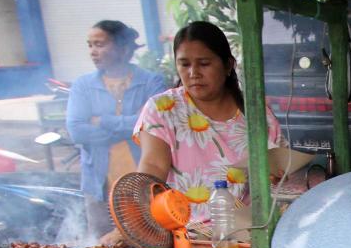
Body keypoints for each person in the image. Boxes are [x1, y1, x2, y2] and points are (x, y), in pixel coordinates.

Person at [129, 21, 313, 229]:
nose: (193, 73)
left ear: (228, 65)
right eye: (184, 64)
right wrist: (138, 213)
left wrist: (274, 175)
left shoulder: (255, 112)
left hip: (246, 231)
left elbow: (278, 168)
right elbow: (152, 166)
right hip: (184, 234)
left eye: (204, 63)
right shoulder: (163, 109)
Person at [66, 20, 167, 236]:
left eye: (100, 45)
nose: (93, 52)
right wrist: (132, 125)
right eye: (90, 45)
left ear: (123, 47)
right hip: (100, 186)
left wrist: (102, 120)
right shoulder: (83, 86)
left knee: (150, 243)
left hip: (144, 182)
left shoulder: (152, 82)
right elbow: (76, 130)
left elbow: (155, 127)